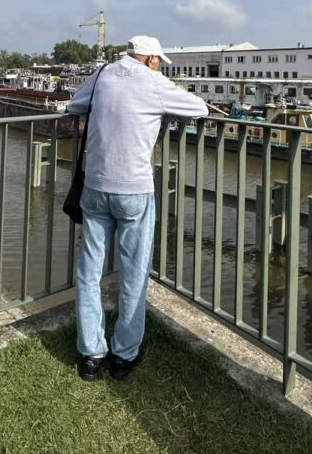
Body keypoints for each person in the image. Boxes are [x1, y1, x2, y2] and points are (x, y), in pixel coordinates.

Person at [66, 35, 207, 381]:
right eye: (158, 60)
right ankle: (124, 354)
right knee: (133, 273)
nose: (159, 65)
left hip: (96, 187)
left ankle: (91, 353)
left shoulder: (101, 75)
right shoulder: (155, 83)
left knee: (89, 271)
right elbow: (200, 108)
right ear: (148, 59)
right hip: (134, 191)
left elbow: (75, 105)